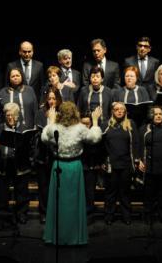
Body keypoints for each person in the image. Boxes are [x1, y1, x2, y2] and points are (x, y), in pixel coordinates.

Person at [41, 102, 102, 245]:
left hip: (59, 165)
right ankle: (74, 236)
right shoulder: (80, 128)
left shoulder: (54, 127)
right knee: (74, 203)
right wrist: (95, 121)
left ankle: (57, 236)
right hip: (74, 167)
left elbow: (44, 138)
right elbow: (95, 138)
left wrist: (50, 120)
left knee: (59, 203)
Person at [0, 102, 35, 224]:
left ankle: (21, 213)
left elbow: (31, 149)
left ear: (17, 116)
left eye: (13, 115)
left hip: (20, 164)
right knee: (2, 193)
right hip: (3, 164)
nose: (10, 118)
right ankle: (2, 214)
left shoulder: (23, 129)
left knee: (21, 192)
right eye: (7, 115)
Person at [102, 102, 141, 226]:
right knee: (110, 193)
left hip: (126, 164)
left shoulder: (131, 124)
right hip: (111, 165)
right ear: (112, 111)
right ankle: (109, 216)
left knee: (125, 193)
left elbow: (136, 143)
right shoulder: (106, 125)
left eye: (122, 110)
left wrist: (137, 159)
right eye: (117, 109)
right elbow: (101, 145)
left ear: (125, 112)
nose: (119, 111)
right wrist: (102, 160)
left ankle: (126, 216)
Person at [138, 105, 162, 224]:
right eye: (155, 114)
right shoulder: (145, 128)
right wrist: (139, 160)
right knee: (149, 195)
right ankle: (148, 216)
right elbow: (139, 145)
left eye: (160, 114)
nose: (158, 116)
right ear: (151, 116)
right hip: (150, 167)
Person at [34, 87, 63, 224]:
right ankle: (44, 212)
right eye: (49, 98)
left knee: (58, 185)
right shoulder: (41, 113)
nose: (51, 101)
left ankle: (57, 212)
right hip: (43, 154)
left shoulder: (62, 114)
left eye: (54, 98)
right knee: (43, 186)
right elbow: (39, 134)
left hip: (58, 155)